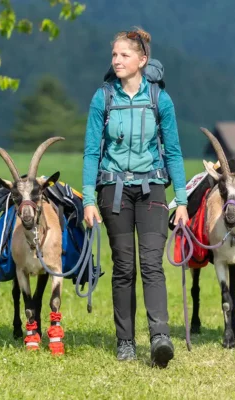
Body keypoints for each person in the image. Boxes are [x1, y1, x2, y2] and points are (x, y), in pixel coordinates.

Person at [81, 27, 189, 368]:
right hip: (113, 191)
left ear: (142, 60)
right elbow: (89, 153)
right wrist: (86, 199)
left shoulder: (160, 99)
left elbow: (172, 150)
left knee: (152, 265)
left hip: (153, 189)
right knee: (124, 267)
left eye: (124, 55)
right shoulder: (103, 97)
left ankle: (160, 337)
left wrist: (183, 200)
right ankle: (125, 342)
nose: (117, 61)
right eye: (114, 55)